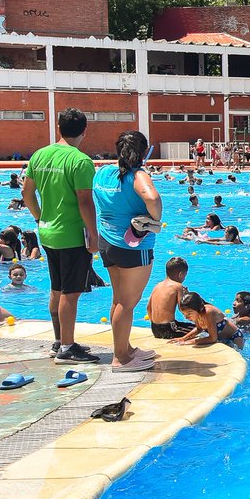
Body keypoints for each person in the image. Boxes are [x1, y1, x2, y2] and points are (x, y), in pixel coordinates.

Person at [22, 108, 100, 363]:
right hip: (72, 235)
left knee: (56, 289)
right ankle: (67, 348)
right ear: (85, 131)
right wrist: (93, 234)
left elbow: (27, 193)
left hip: (47, 233)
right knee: (71, 292)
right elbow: (85, 202)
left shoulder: (39, 155)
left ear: (59, 128)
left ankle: (59, 341)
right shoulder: (80, 161)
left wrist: (39, 217)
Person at [93, 131, 162, 371]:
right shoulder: (138, 175)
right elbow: (153, 198)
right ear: (143, 152)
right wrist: (155, 220)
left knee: (118, 299)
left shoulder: (102, 172)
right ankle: (121, 358)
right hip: (133, 246)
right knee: (128, 302)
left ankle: (124, 347)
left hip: (107, 242)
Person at [173, 291, 245, 350]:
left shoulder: (208, 312)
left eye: (189, 313)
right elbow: (199, 329)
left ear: (199, 309)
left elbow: (213, 338)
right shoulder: (197, 314)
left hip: (235, 337)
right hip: (221, 339)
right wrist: (183, 338)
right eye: (183, 314)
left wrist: (190, 342)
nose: (186, 317)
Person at [147, 257, 195, 339]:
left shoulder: (157, 285)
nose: (184, 278)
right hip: (169, 329)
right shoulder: (178, 287)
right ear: (180, 274)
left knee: (191, 327)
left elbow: (148, 308)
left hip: (154, 328)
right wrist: (187, 296)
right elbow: (183, 309)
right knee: (202, 331)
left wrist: (156, 323)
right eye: (185, 276)